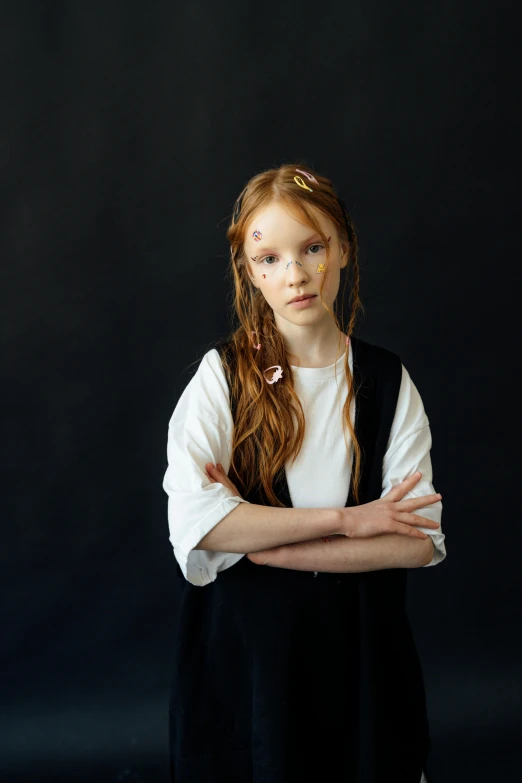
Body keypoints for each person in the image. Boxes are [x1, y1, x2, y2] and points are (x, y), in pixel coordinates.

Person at [162, 162, 446, 782]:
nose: (294, 274)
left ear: (341, 250)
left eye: (312, 248)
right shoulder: (223, 378)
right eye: (270, 259)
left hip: (361, 661)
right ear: (249, 271)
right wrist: (351, 521)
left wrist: (266, 544)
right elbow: (197, 523)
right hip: (251, 669)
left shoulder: (387, 383)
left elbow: (419, 541)